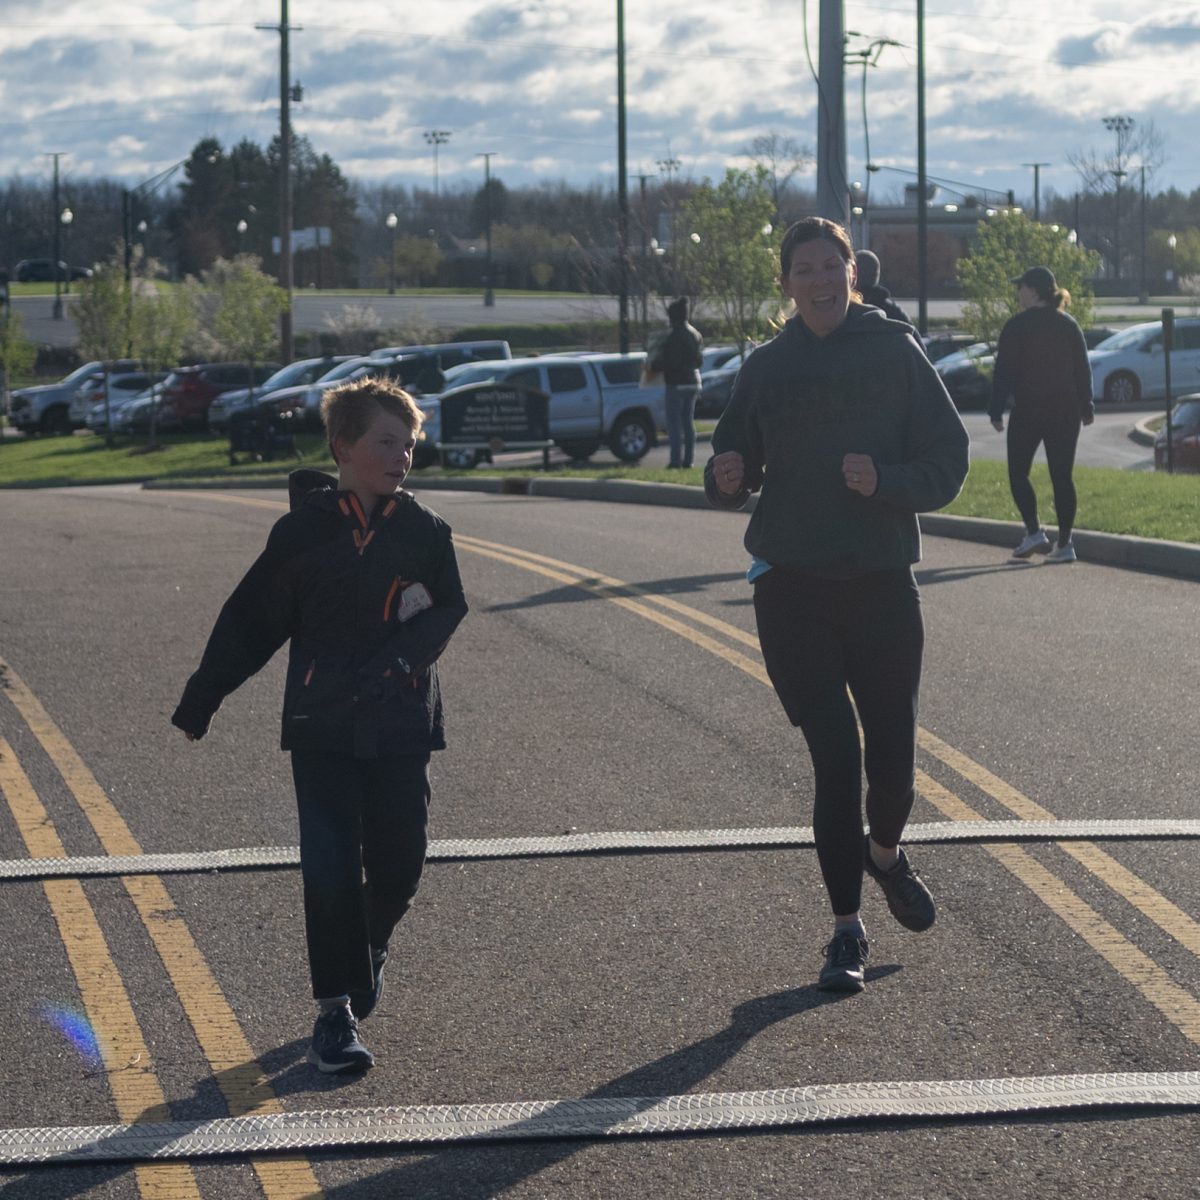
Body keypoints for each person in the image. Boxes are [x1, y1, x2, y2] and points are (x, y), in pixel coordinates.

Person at [172, 377, 468, 1073]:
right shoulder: (301, 533)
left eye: (411, 445)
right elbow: (251, 620)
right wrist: (202, 697)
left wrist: (400, 661)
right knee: (330, 864)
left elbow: (448, 608)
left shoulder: (425, 532)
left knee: (400, 862)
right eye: (387, 443)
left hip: (400, 724)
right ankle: (334, 1014)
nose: (403, 458)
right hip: (322, 725)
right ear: (343, 446)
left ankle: (370, 940)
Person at [705, 217, 969, 993]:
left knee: (892, 760)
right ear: (785, 284)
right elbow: (734, 465)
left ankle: (884, 853)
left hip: (882, 583)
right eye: (804, 269)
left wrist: (885, 481)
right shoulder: (767, 366)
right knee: (835, 755)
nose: (819, 280)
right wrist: (724, 479)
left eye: (832, 266)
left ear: (853, 274)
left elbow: (947, 461)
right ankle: (844, 932)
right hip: (790, 587)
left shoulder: (894, 352)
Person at [989, 265, 1095, 563]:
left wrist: (995, 410)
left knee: (1017, 472)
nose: (1017, 292)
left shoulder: (1017, 326)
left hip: (1029, 410)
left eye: (1020, 286)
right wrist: (1086, 406)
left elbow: (1004, 372)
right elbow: (1081, 368)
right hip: (1066, 410)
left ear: (1034, 290)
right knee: (1062, 475)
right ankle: (1065, 543)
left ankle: (1034, 531)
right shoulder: (1068, 324)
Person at [651, 296, 704, 468]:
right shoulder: (696, 334)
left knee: (674, 424)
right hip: (693, 381)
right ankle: (689, 460)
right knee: (688, 423)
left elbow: (671, 362)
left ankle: (675, 461)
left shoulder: (673, 336)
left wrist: (654, 365)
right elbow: (699, 361)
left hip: (676, 383)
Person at [854, 249, 911, 325]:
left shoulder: (846, 312)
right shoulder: (894, 312)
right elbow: (914, 335)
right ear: (876, 274)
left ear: (854, 275)